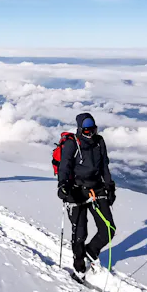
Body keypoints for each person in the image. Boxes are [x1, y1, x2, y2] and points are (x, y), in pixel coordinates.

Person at [57, 113, 116, 280]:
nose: (91, 133)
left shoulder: (99, 142)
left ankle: (90, 253)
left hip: (97, 189)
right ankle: (79, 264)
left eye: (93, 129)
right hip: (75, 191)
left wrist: (110, 186)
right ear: (80, 129)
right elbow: (65, 167)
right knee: (80, 232)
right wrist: (62, 185)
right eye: (87, 130)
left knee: (108, 229)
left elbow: (104, 165)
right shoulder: (71, 144)